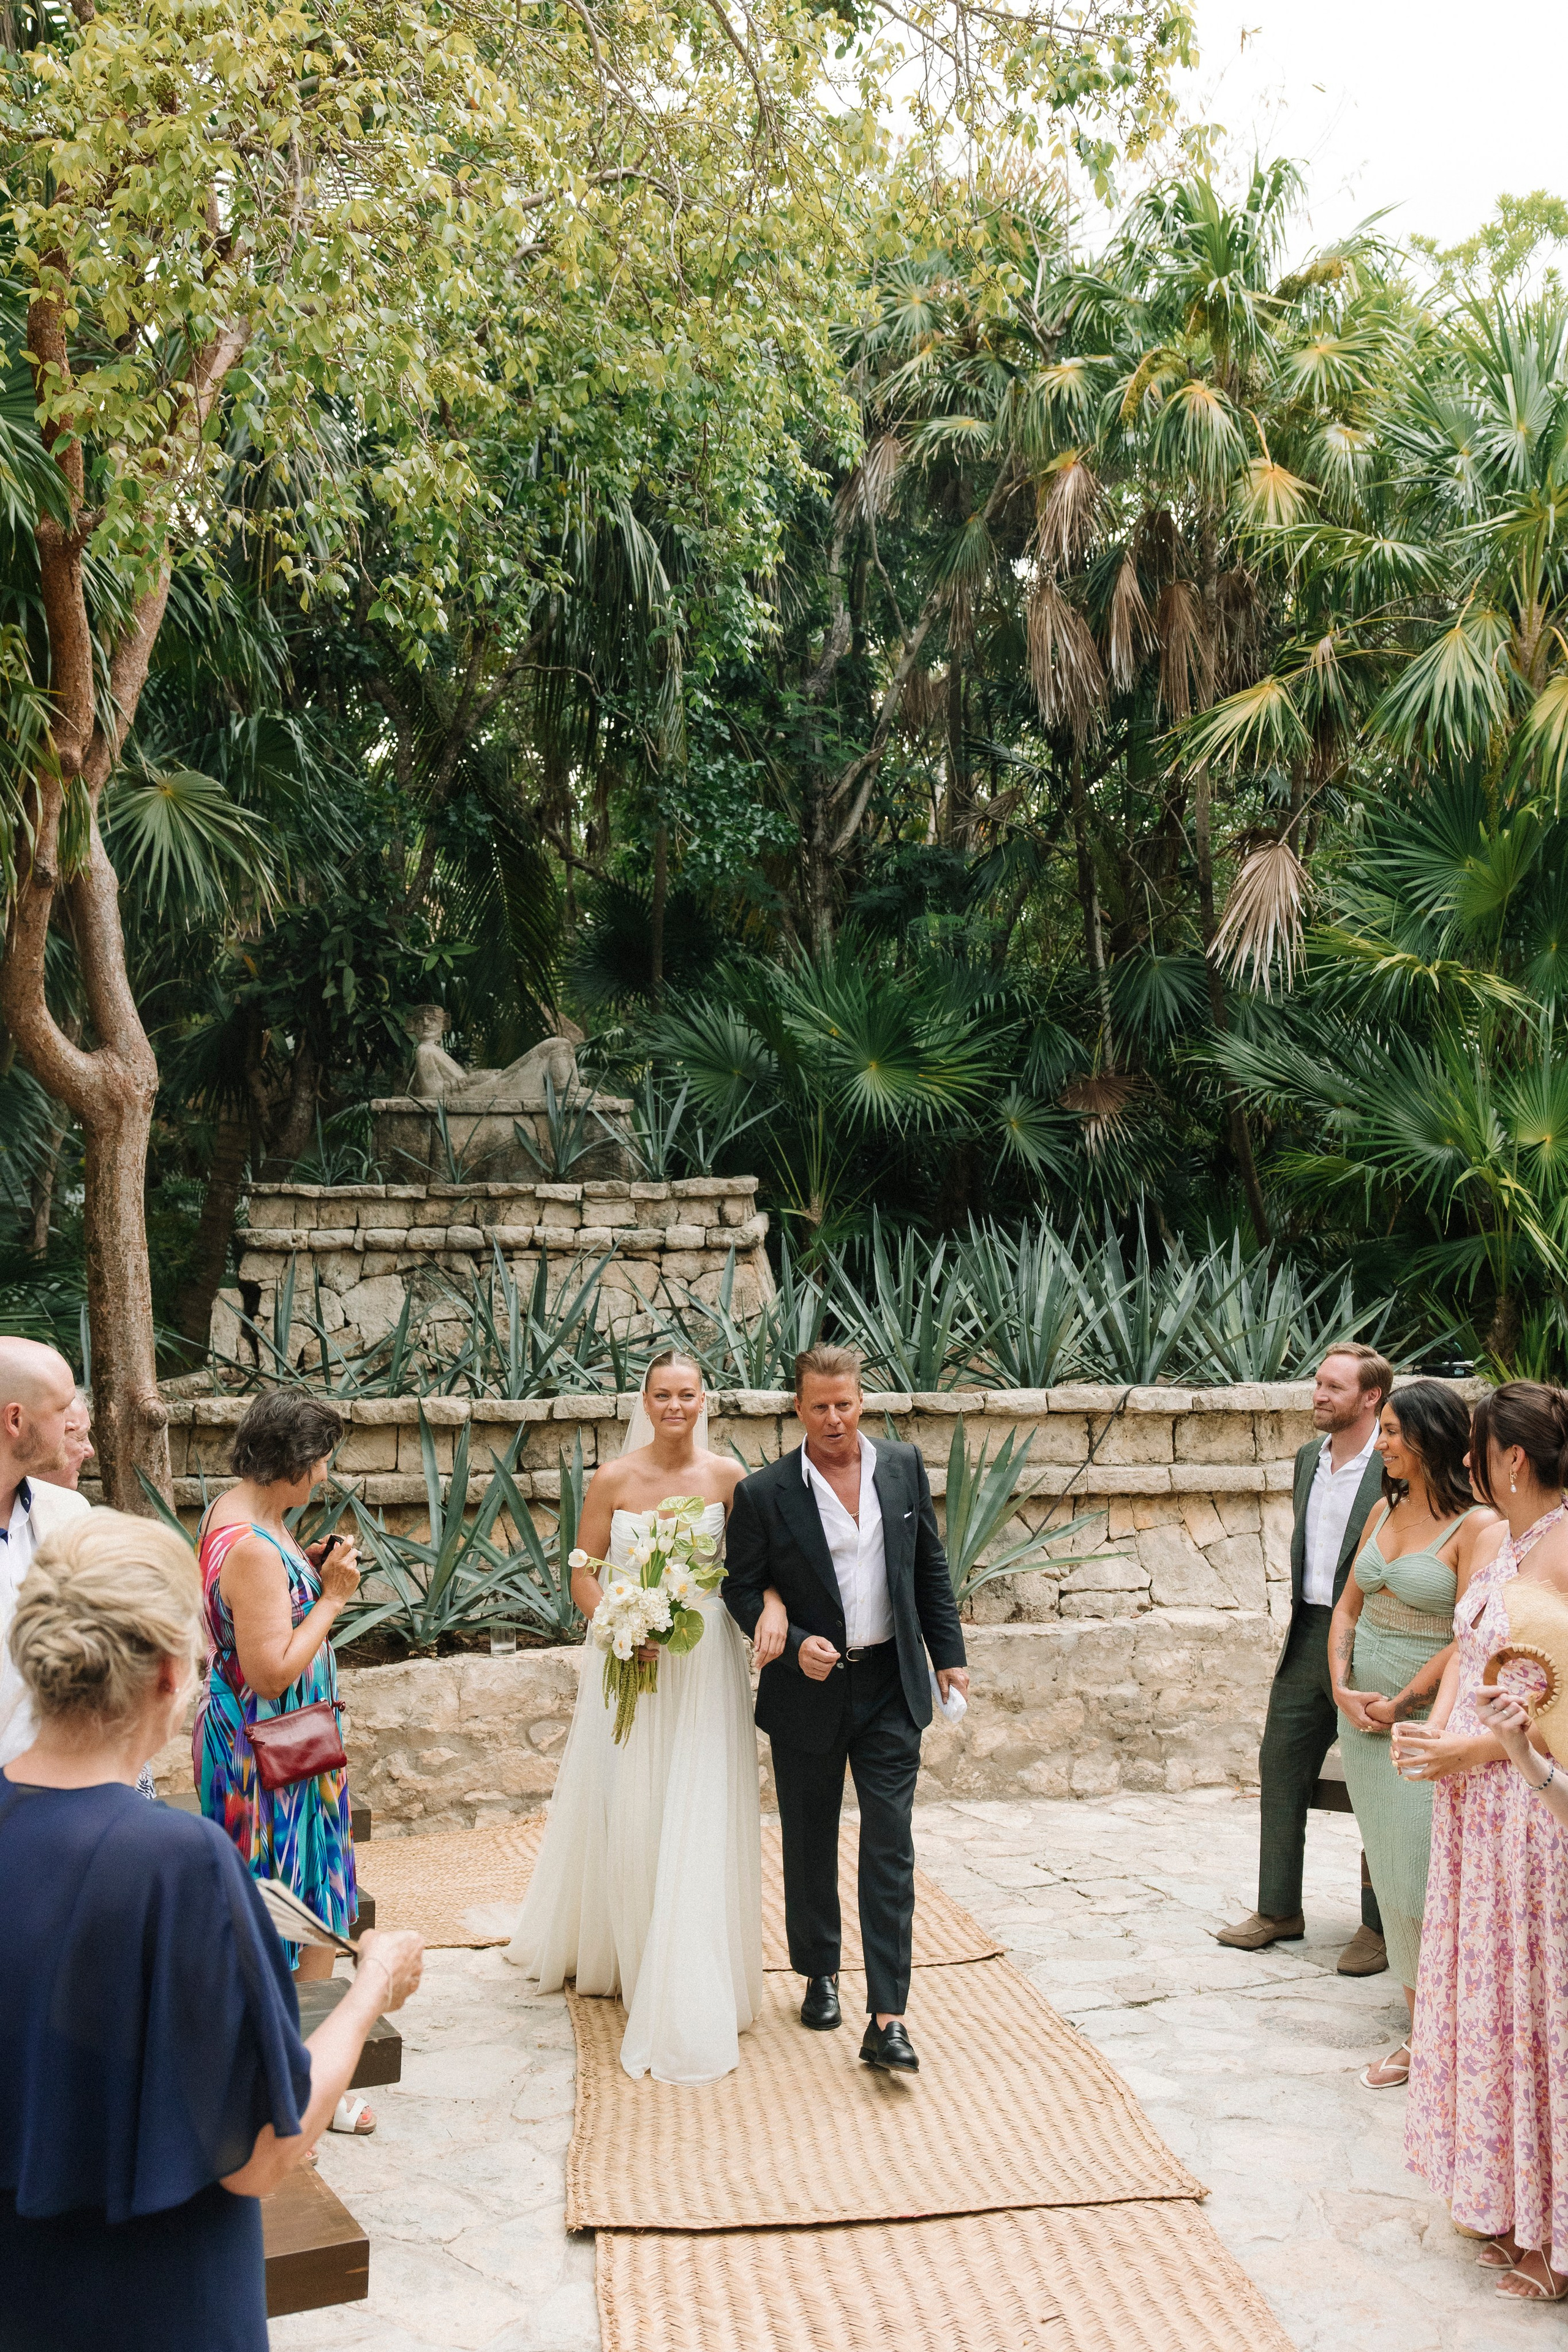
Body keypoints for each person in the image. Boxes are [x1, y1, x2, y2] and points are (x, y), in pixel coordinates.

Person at [0, 1507, 422, 2352]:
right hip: (157, 2304)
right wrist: (374, 1982)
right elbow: (268, 2151)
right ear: (167, 1671)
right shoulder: (177, 1863)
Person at [507, 1349, 788, 2085]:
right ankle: (630, 1947)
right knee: (631, 1799)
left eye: (686, 1394)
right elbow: (580, 1570)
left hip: (702, 1666)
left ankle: (694, 1961)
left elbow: (757, 1570)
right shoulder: (615, 1478)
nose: (674, 1406)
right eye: (662, 1395)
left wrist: (775, 1609)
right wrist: (620, 1627)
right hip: (629, 1654)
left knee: (697, 1802)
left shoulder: (730, 1479)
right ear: (646, 1400)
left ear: (704, 1401)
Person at [722, 1344, 969, 2076]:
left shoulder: (900, 1466)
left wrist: (947, 1653)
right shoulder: (766, 1493)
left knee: (889, 1845)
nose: (834, 1418)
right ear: (796, 1408)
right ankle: (819, 1970)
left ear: (862, 1402)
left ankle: (888, 2017)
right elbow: (742, 1586)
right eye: (819, 1406)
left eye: (846, 1404)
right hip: (808, 1690)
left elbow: (928, 1564)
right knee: (809, 1837)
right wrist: (793, 1641)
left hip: (892, 1684)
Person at [1397, 1381, 1568, 2304]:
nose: (1465, 1466)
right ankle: (1509, 2199)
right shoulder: (1508, 1540)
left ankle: (1562, 2237)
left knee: (1544, 2013)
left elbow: (1565, 1712)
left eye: (1474, 1452)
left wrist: (1469, 1746)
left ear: (1511, 1459)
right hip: (1475, 1811)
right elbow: (1479, 1661)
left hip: (1533, 1817)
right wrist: (1433, 1734)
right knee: (1493, 2002)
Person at [192, 1392, 369, 2127]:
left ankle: (289, 2075)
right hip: (269, 1762)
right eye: (321, 1461)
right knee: (295, 1910)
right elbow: (270, 1672)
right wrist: (331, 1598)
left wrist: (309, 1568)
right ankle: (294, 2092)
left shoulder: (242, 1516)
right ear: (293, 1464)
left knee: (297, 1903)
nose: (325, 1476)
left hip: (280, 1749)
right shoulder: (257, 1549)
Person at [1328, 1380, 1500, 2088]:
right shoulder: (1380, 1509)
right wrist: (1341, 1688)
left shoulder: (1481, 1527)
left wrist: (1404, 1700)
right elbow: (1345, 1610)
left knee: (1424, 1880)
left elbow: (1470, 1636)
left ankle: (1440, 2036)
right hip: (1361, 1721)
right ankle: (1420, 2031)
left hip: (1424, 1725)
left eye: (1395, 1431)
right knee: (1393, 1880)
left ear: (1430, 1438)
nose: (1385, 1443)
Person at [1216, 1344, 1393, 1968]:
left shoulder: (1393, 1465)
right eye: (1317, 1383)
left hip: (1372, 1638)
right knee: (1280, 1767)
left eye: (1333, 1387)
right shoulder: (1305, 1460)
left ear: (1369, 1398)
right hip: (1306, 1633)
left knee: (1375, 1782)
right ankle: (1277, 1909)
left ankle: (1378, 1928)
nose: (1318, 1395)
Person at [0, 1336, 90, 1771]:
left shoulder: (71, 1515)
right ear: (14, 1419)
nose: (72, 1425)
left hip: (50, 1792)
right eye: (62, 1409)